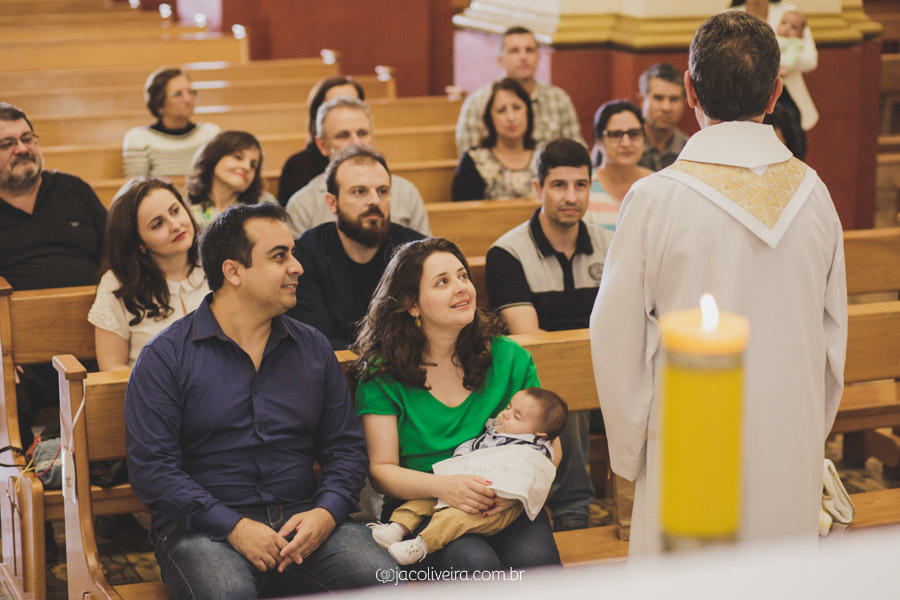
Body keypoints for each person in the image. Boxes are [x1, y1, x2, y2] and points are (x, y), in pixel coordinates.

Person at [589, 11, 847, 555]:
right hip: (790, 435)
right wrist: (807, 427)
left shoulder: (656, 199)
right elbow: (833, 336)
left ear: (689, 89)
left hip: (688, 439)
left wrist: (631, 450)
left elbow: (616, 337)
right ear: (775, 93)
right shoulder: (816, 195)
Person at [125, 203, 396, 600]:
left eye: (293, 253)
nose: (297, 267)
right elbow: (153, 470)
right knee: (227, 592)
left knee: (382, 579)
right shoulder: (166, 357)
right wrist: (233, 526)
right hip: (204, 530)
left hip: (303, 519)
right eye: (279, 256)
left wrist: (326, 512)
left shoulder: (313, 347)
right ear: (233, 271)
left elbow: (345, 448)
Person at [353, 237, 562, 572]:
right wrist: (445, 487)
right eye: (442, 282)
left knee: (535, 562)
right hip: (421, 505)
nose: (461, 287)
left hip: (501, 498)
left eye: (463, 276)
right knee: (474, 563)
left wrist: (513, 493)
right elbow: (382, 470)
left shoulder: (509, 357)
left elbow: (550, 446)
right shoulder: (384, 374)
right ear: (412, 304)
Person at [486, 138, 613, 532]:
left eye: (580, 185)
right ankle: (572, 506)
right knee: (563, 385)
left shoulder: (611, 245)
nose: (571, 196)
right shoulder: (508, 252)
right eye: (559, 185)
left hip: (608, 370)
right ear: (538, 188)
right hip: (542, 377)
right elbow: (531, 339)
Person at [0, 103, 107, 451]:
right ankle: (22, 477)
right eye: (7, 144)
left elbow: (117, 255)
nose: (22, 149)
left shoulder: (73, 189)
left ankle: (112, 476)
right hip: (19, 358)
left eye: (27, 138)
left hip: (98, 341)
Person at [369, 387, 567, 565]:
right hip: (450, 487)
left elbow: (544, 468)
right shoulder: (495, 434)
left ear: (539, 435)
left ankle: (420, 545)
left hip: (493, 505)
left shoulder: (535, 448)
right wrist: (458, 462)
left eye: (516, 417)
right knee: (420, 504)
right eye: (508, 407)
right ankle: (396, 528)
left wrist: (516, 493)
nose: (506, 414)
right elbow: (472, 445)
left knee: (454, 520)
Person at [287, 145, 424, 350]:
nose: (374, 201)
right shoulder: (305, 257)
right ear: (332, 203)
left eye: (382, 191)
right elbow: (317, 342)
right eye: (359, 192)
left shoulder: (415, 251)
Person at [89, 177, 209, 371]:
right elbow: (111, 366)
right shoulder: (118, 283)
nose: (175, 225)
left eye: (175, 211)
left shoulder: (216, 262)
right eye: (157, 224)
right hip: (154, 389)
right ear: (139, 243)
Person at [285, 97, 430, 238]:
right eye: (343, 135)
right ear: (322, 145)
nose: (355, 142)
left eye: (362, 133)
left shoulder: (407, 193)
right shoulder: (302, 205)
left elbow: (425, 250)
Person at [456, 26, 585, 155]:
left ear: (538, 57)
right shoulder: (477, 104)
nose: (523, 57)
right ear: (500, 61)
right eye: (514, 51)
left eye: (529, 50)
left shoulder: (558, 99)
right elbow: (469, 157)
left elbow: (577, 152)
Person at [730, 0, 818, 159]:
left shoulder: (790, 13)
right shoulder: (728, 16)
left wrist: (766, 62)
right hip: (745, 98)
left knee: (794, 152)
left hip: (787, 96)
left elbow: (810, 60)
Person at [278, 77, 365, 206]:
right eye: (336, 105)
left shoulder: (375, 165)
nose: (346, 111)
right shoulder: (297, 167)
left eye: (353, 103)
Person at [122, 66, 221, 178]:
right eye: (178, 94)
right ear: (159, 102)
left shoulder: (210, 133)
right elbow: (136, 186)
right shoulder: (139, 138)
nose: (188, 99)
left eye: (191, 92)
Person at [451, 78, 538, 202]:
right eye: (501, 110)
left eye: (517, 108)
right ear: (489, 118)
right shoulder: (474, 161)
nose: (511, 117)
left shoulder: (544, 157)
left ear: (528, 112)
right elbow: (464, 211)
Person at [186, 130, 275, 228]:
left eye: (253, 165)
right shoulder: (187, 209)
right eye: (238, 157)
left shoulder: (265, 204)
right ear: (214, 156)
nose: (247, 167)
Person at [588, 101, 652, 230]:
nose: (626, 143)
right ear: (599, 142)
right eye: (615, 135)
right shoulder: (584, 185)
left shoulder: (656, 184)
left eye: (634, 134)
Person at [636, 63, 688, 172]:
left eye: (673, 99)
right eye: (658, 98)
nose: (666, 107)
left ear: (684, 103)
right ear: (641, 101)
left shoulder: (690, 151)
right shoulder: (623, 147)